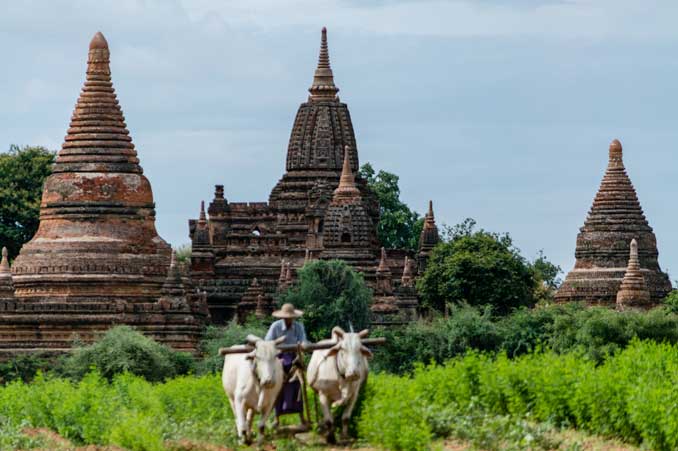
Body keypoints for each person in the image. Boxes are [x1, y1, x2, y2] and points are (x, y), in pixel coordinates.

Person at [265, 303, 309, 429]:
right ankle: (277, 419)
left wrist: (303, 346)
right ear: (283, 317)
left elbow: (303, 340)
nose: (288, 319)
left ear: (293, 317)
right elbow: (268, 342)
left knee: (297, 387)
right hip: (279, 359)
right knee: (277, 389)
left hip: (295, 359)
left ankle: (302, 418)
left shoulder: (298, 327)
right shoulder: (275, 326)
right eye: (286, 317)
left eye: (290, 317)